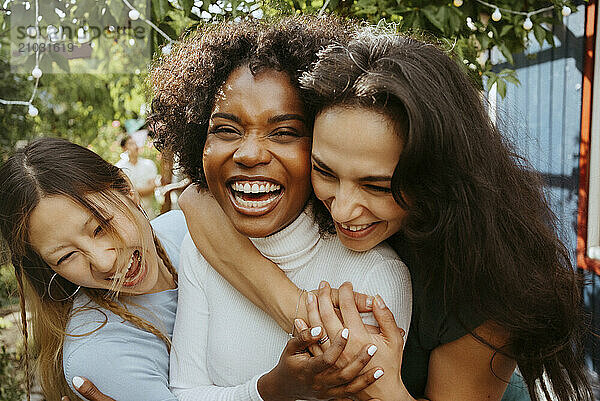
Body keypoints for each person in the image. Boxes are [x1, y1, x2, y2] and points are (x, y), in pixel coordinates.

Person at [175, 29, 594, 401]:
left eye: (377, 186)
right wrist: (304, 312)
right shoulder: (292, 202)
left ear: (437, 178)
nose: (341, 208)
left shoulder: (485, 284)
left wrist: (379, 384)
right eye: (325, 171)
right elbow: (197, 201)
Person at [148, 17, 413, 400]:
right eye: (226, 130)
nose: (250, 153)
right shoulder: (204, 246)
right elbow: (185, 391)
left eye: (284, 132)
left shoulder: (375, 274)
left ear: (322, 144)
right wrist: (270, 389)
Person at [0, 137, 184, 401]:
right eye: (66, 257)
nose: (103, 262)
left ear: (127, 190)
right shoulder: (99, 354)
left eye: (100, 226)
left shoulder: (187, 228)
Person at [115, 134, 158, 219]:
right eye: (131, 144)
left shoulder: (149, 164)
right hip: (130, 216)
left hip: (150, 214)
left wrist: (132, 191)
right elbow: (121, 193)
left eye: (136, 143)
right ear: (124, 148)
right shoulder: (119, 168)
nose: (135, 146)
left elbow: (152, 188)